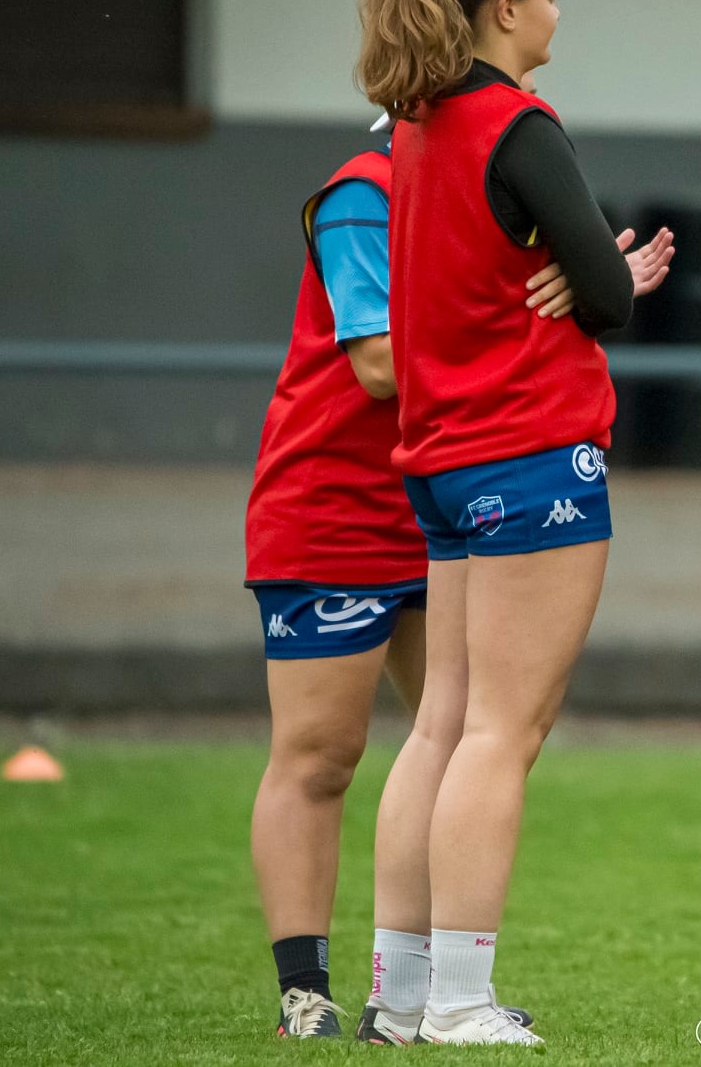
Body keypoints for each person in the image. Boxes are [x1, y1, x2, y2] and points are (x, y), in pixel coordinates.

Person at [352, 0, 673, 1046]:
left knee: (441, 723)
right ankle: (460, 1003)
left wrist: (570, 275)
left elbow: (511, 270)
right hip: (531, 452)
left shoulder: (412, 121)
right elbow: (611, 296)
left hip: (441, 458)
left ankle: (399, 996)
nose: (555, 13)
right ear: (503, 7)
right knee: (501, 733)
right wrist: (597, 277)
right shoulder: (519, 124)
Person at [243, 117, 569, 1039]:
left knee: (469, 736)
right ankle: (303, 991)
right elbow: (380, 361)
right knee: (320, 754)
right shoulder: (362, 194)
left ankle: (423, 989)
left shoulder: (468, 197)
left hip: (448, 492)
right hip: (334, 507)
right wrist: (531, 307)